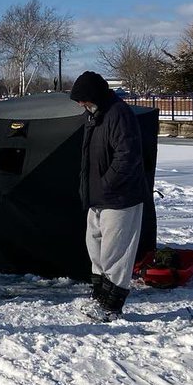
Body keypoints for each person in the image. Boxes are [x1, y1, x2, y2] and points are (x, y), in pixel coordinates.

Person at [69, 71, 148, 322]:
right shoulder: (95, 116)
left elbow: (127, 156)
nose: (80, 104)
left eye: (82, 99)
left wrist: (107, 184)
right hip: (98, 197)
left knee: (116, 253)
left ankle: (111, 306)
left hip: (120, 197)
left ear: (93, 96)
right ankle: (99, 297)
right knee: (96, 247)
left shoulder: (118, 114)